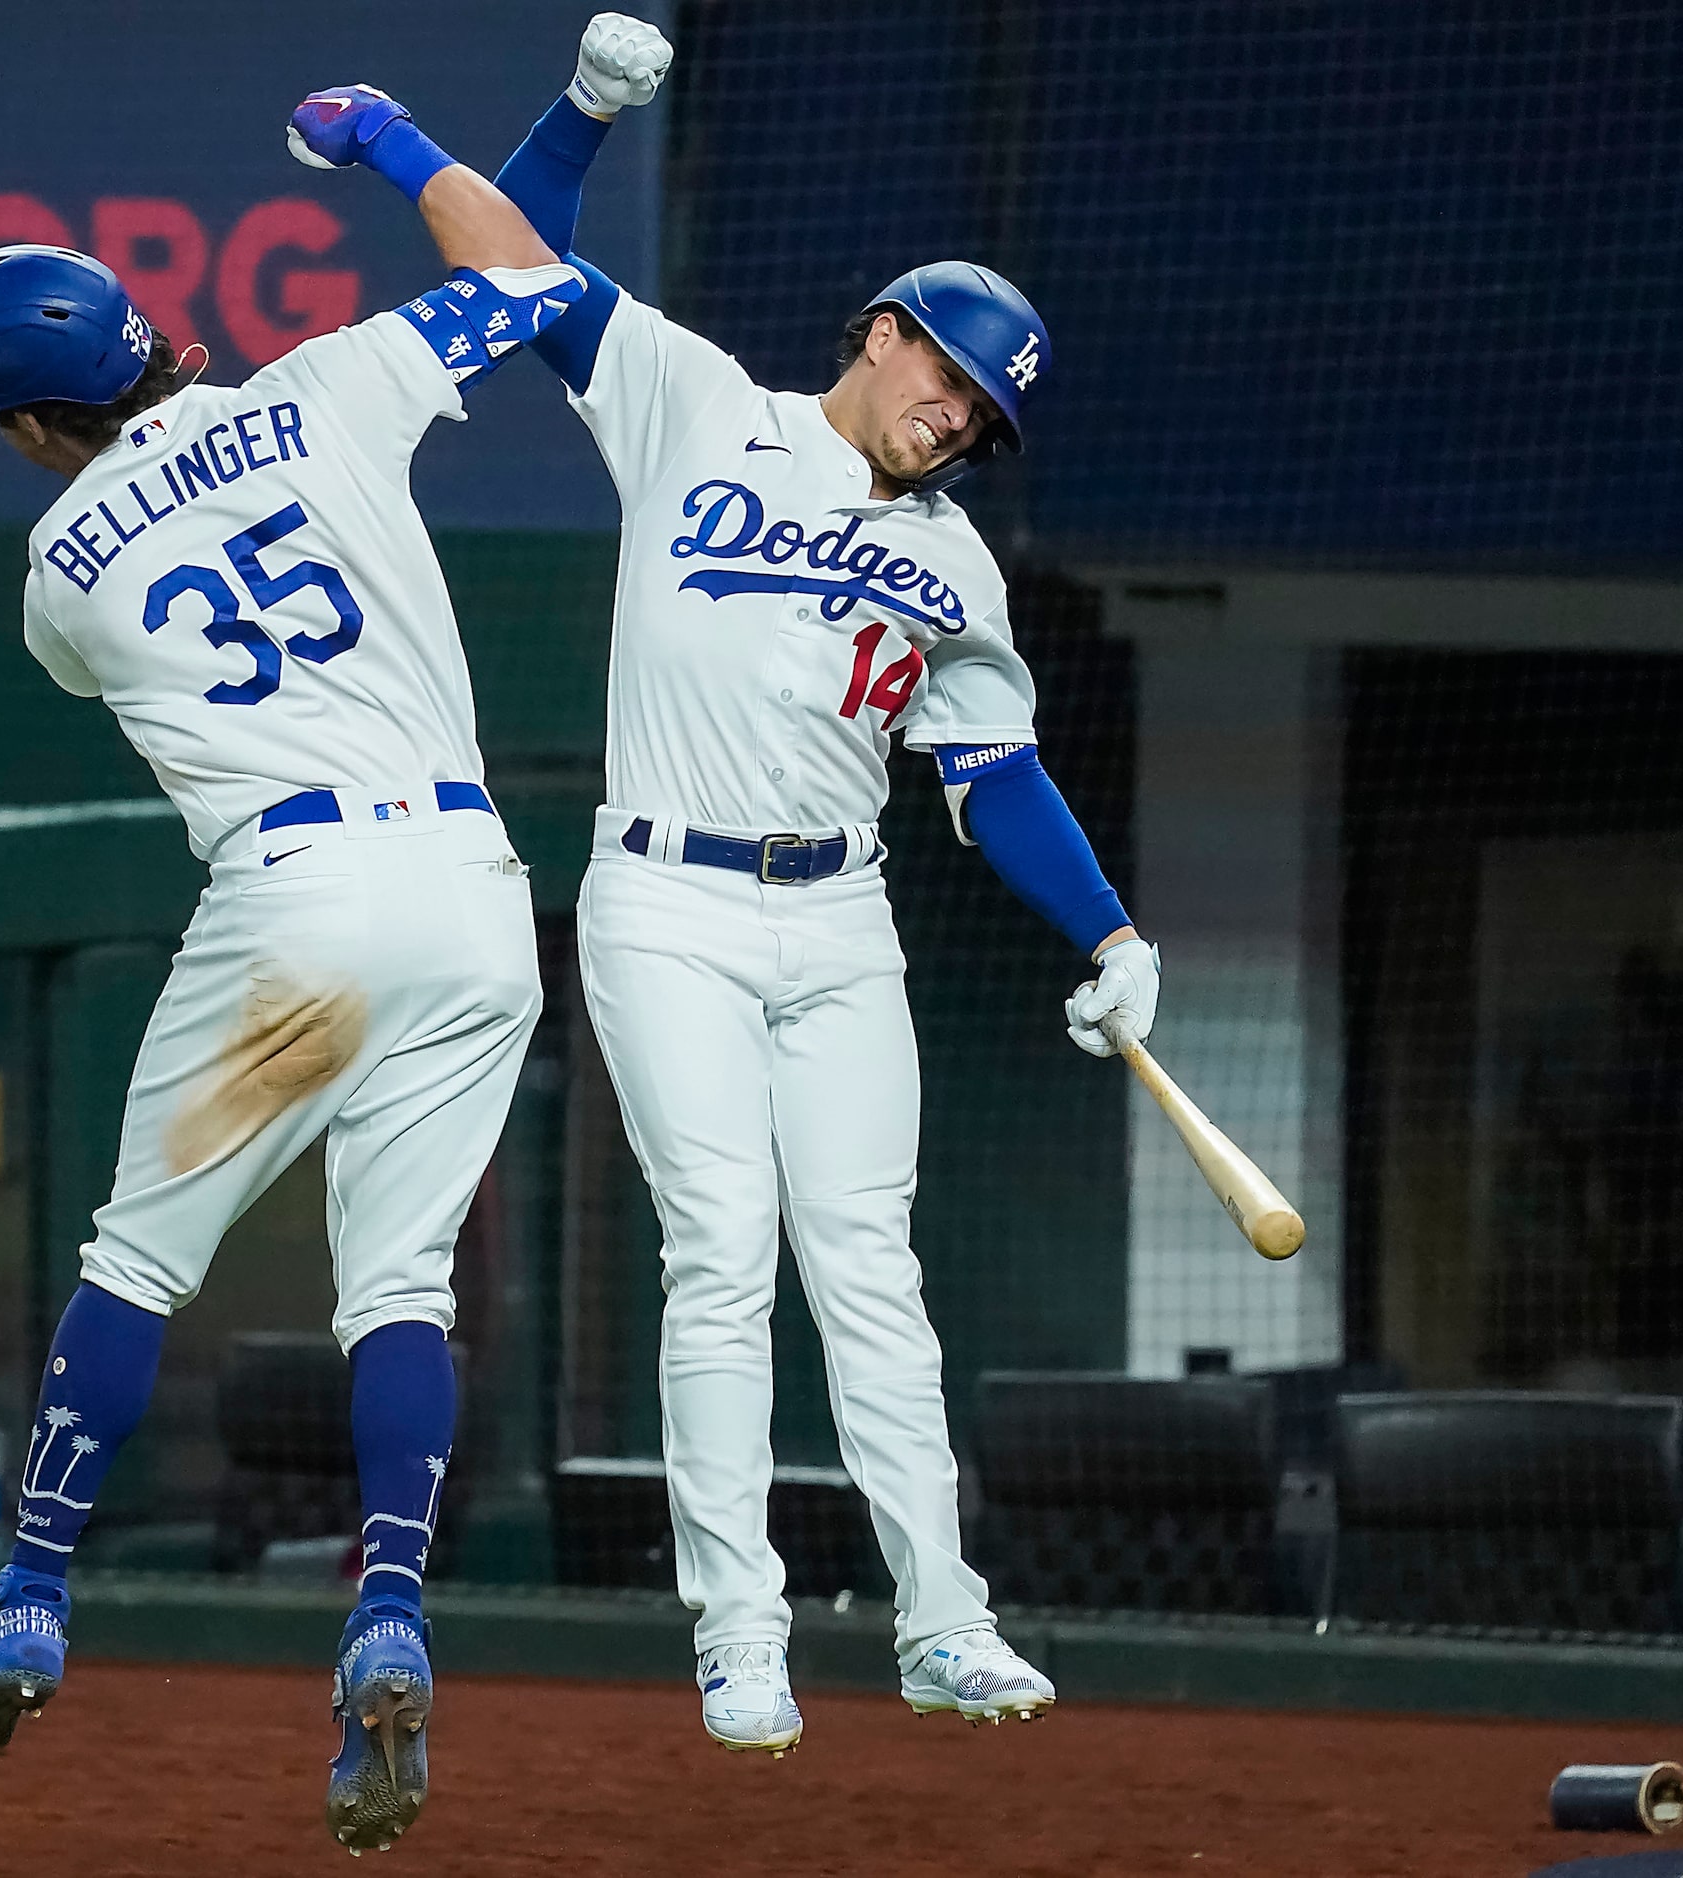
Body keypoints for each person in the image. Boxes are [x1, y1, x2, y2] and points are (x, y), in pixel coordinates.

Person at [0, 82, 578, 1856]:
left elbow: (121, 509)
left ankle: (32, 1588)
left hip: (296, 906)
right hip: (476, 894)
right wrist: (426, 142)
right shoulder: (326, 384)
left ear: (45, 419)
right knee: (402, 1287)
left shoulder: (61, 569)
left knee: (141, 1254)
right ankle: (387, 1611)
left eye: (5, 421)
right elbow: (525, 267)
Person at [509, 12, 1156, 1751]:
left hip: (838, 914)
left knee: (868, 1263)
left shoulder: (952, 561)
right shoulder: (699, 406)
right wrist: (578, 116)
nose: (953, 421)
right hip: (665, 904)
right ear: (879, 334)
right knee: (719, 1250)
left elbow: (996, 774)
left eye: (980, 412)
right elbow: (514, 263)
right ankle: (737, 1628)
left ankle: (944, 1623)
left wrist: (1104, 929)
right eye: (943, 377)